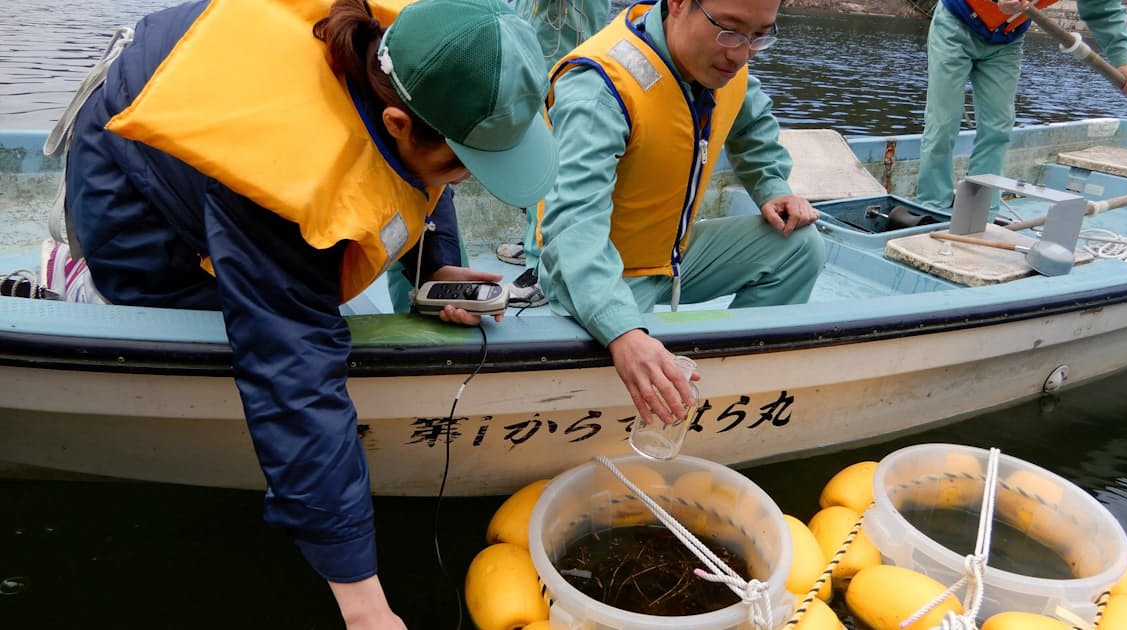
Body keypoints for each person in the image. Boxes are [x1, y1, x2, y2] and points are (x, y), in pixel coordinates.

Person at [60, 0, 556, 627]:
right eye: (462, 164)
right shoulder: (284, 176)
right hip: (127, 159)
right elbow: (292, 377)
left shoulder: (413, 60)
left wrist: (434, 267)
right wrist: (364, 604)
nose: (462, 181)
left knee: (303, 272)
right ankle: (77, 282)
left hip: (230, 102)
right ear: (398, 120)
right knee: (215, 318)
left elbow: (419, 175)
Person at [535, 0, 825, 424]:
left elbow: (751, 121)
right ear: (677, 4)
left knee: (799, 246)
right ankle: (657, 374)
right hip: (596, 270)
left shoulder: (723, 60)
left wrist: (770, 185)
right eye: (729, 30)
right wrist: (623, 333)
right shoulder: (600, 87)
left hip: (669, 255)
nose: (741, 53)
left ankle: (727, 388)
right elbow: (572, 226)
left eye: (760, 35)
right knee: (624, 333)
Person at [915, 0, 1127, 211]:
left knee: (998, 128)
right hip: (955, 24)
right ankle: (932, 206)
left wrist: (1124, 59)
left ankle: (980, 212)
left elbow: (1103, 8)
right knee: (943, 122)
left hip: (1006, 40)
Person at [495, 0, 611, 306]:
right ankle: (535, 242)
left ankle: (543, 270)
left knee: (552, 148)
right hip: (538, 37)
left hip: (563, 46)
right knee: (533, 138)